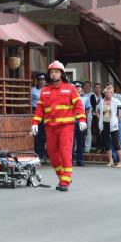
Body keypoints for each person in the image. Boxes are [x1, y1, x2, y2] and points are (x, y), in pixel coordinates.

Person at [30, 61, 86, 191]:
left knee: (65, 152)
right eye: (52, 72)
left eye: (56, 72)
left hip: (66, 126)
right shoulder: (44, 92)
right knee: (52, 154)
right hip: (50, 127)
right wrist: (35, 123)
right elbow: (39, 110)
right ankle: (63, 177)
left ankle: (65, 182)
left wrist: (82, 119)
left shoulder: (70, 89)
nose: (54, 74)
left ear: (61, 74)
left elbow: (78, 105)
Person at [97, 85, 121, 167]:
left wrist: (119, 117)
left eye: (109, 92)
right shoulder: (102, 101)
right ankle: (111, 161)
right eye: (106, 92)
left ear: (112, 93)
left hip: (113, 124)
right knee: (106, 142)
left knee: (116, 142)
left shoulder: (115, 101)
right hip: (104, 124)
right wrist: (100, 118)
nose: (107, 94)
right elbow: (96, 110)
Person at [71, 81, 91, 166]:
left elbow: (88, 109)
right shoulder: (70, 97)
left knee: (80, 141)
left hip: (80, 121)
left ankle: (80, 160)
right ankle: (70, 159)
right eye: (76, 87)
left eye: (79, 87)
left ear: (81, 88)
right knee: (71, 141)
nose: (77, 88)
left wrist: (82, 116)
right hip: (71, 120)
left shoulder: (85, 98)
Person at [31, 72, 48, 160]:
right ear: (37, 81)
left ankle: (42, 153)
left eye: (43, 80)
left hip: (47, 114)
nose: (42, 82)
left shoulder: (48, 90)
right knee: (37, 135)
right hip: (36, 113)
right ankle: (37, 154)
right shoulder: (33, 90)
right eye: (40, 80)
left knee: (44, 135)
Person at [89, 83, 104, 152]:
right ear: (94, 89)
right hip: (95, 115)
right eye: (96, 88)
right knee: (98, 131)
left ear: (100, 89)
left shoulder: (103, 95)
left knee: (104, 132)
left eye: (99, 87)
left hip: (104, 115)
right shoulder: (92, 96)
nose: (97, 89)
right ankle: (99, 147)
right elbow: (94, 106)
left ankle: (104, 147)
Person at [82, 81, 93, 151]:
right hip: (80, 115)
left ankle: (87, 148)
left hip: (89, 115)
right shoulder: (80, 94)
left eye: (88, 86)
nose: (87, 87)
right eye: (86, 85)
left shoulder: (92, 95)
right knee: (80, 131)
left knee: (88, 130)